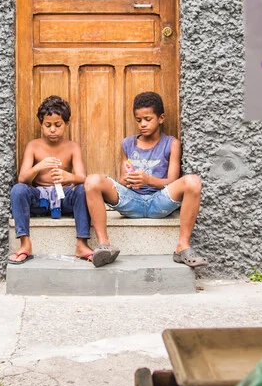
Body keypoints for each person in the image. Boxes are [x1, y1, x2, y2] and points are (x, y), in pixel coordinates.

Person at [84, 91, 206, 268]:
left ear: (161, 118)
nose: (142, 124)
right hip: (132, 201)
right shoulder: (127, 144)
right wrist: (128, 180)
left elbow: (172, 180)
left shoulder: (171, 143)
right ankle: (104, 246)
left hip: (160, 201)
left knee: (193, 181)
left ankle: (182, 246)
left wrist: (148, 180)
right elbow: (122, 179)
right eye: (138, 120)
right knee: (92, 180)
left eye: (148, 119)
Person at [8, 96, 92, 264]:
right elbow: (23, 178)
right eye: (48, 125)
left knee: (83, 190)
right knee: (18, 189)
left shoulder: (72, 147)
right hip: (40, 199)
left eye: (58, 125)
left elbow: (82, 177)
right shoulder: (34, 146)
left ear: (67, 124)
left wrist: (70, 177)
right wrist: (39, 167)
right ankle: (25, 244)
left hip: (63, 197)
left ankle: (82, 243)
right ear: (41, 125)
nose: (52, 130)